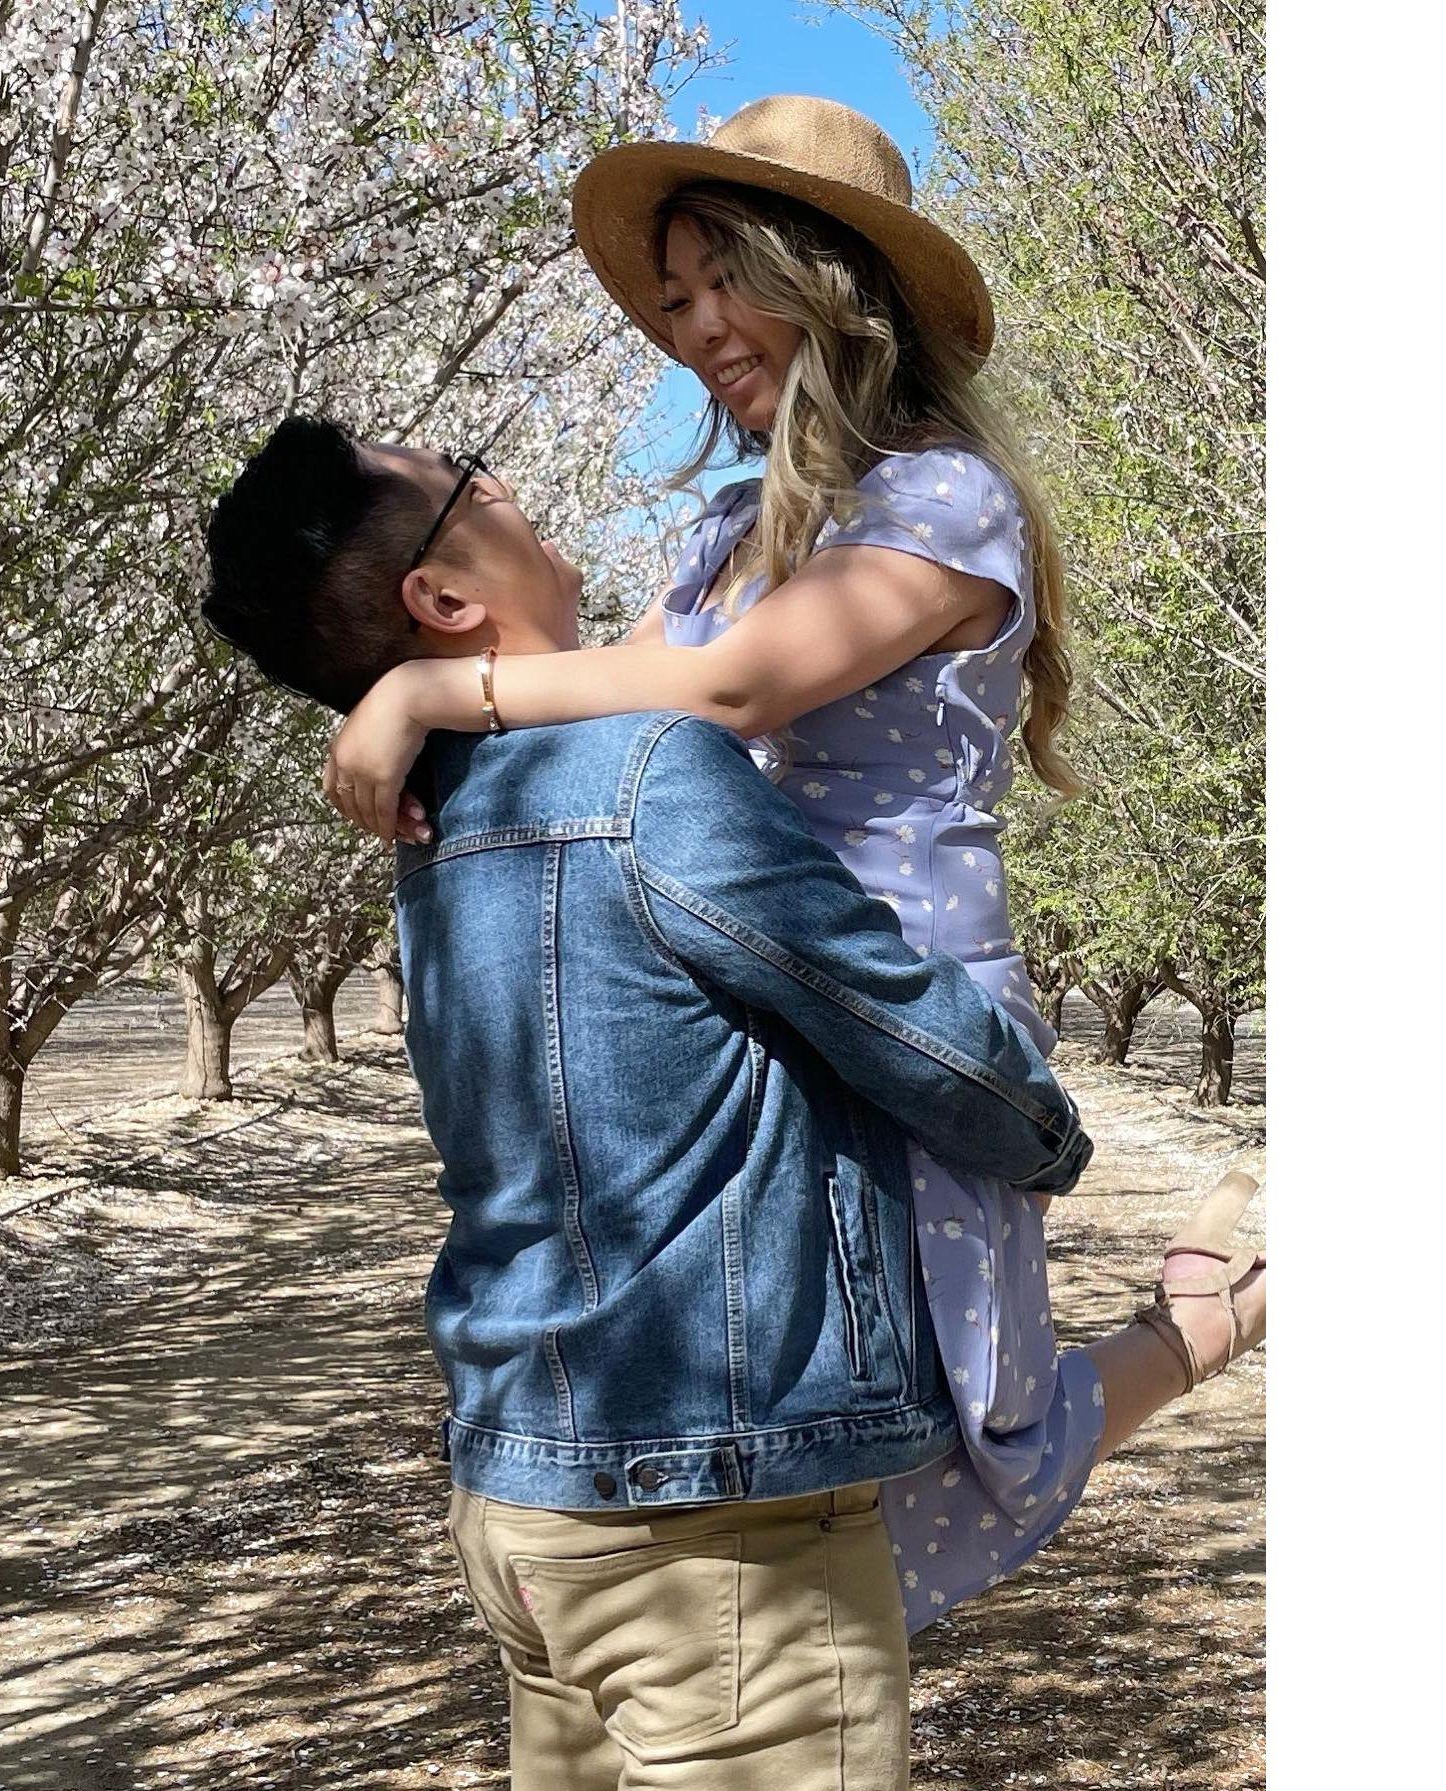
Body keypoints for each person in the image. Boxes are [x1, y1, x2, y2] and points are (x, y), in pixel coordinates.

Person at [316, 96, 1266, 1636]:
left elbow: (734, 689)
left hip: (900, 998)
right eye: (673, 298)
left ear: (834, 283)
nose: (694, 327)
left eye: (721, 281)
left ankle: (1210, 1324)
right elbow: (612, 722)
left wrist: (437, 688)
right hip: (747, 999)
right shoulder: (718, 530)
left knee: (964, 1417)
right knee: (812, 1432)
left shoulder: (946, 498)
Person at [201, 413, 1255, 1791]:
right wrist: (1046, 1133)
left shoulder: (439, 814)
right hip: (707, 1532)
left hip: (524, 1499)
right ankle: (1211, 1319)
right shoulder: (645, 772)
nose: (508, 478)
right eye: (469, 474)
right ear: (446, 600)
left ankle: (1198, 1327)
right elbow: (901, 1024)